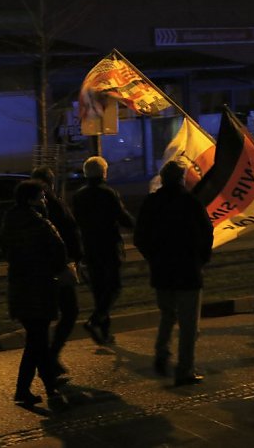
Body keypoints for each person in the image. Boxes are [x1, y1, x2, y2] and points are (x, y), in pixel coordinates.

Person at [134, 160, 213, 386]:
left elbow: (140, 237)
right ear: (181, 178)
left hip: (162, 271)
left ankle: (161, 352)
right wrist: (201, 259)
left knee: (167, 314)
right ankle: (184, 370)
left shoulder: (151, 202)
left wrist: (153, 258)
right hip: (188, 271)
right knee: (189, 325)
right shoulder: (191, 202)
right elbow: (207, 232)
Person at [0, 180, 66, 406]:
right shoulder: (41, 225)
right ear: (31, 200)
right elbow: (59, 253)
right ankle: (41, 390)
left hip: (19, 288)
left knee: (36, 340)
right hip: (40, 288)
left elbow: (6, 250)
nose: (44, 201)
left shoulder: (9, 222)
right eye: (41, 197)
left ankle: (40, 389)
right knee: (38, 342)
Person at [72, 156, 135, 345]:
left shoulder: (79, 195)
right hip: (109, 245)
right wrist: (139, 227)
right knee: (114, 287)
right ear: (104, 172)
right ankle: (96, 320)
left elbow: (77, 222)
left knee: (99, 289)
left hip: (90, 247)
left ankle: (104, 333)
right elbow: (122, 217)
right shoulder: (108, 193)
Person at [31, 166, 83, 378]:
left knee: (50, 315)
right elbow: (67, 232)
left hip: (44, 268)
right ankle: (49, 361)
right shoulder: (51, 204)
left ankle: (48, 362)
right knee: (69, 311)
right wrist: (76, 256)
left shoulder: (35, 206)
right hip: (57, 267)